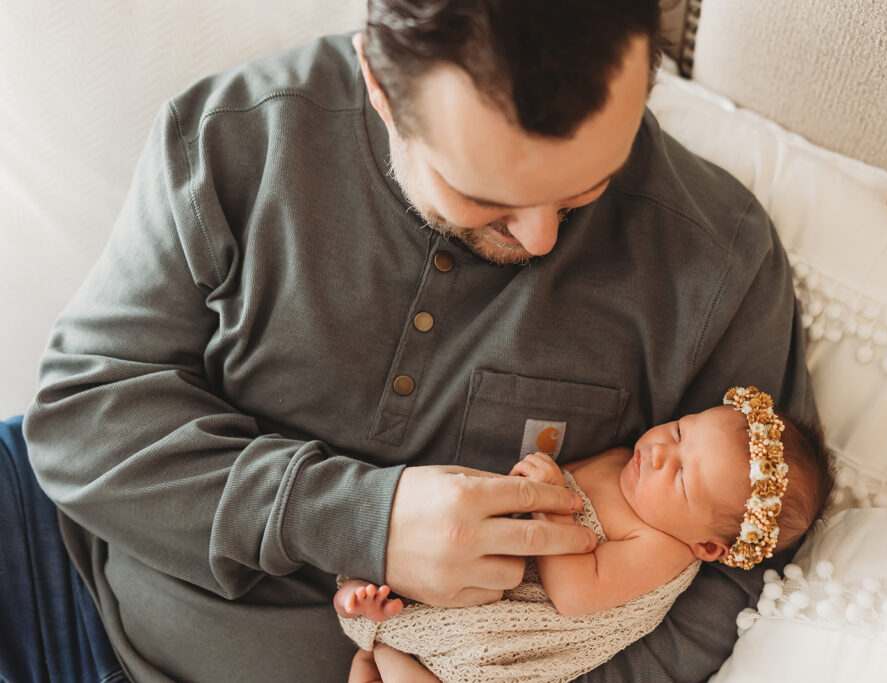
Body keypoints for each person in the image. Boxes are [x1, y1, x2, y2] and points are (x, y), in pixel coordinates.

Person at [15, 1, 817, 681]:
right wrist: (364, 518)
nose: (540, 239)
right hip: (77, 606)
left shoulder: (720, 264)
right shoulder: (236, 138)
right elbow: (81, 417)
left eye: (584, 191)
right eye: (485, 196)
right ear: (378, 86)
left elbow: (740, 574)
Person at [334, 387, 834, 683]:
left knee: (414, 660)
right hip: (486, 563)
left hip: (517, 621)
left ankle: (383, 641)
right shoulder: (628, 463)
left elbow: (576, 595)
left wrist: (552, 512)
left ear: (706, 545)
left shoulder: (663, 549)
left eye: (681, 476)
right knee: (413, 559)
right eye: (680, 430)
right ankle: (379, 613)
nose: (660, 451)